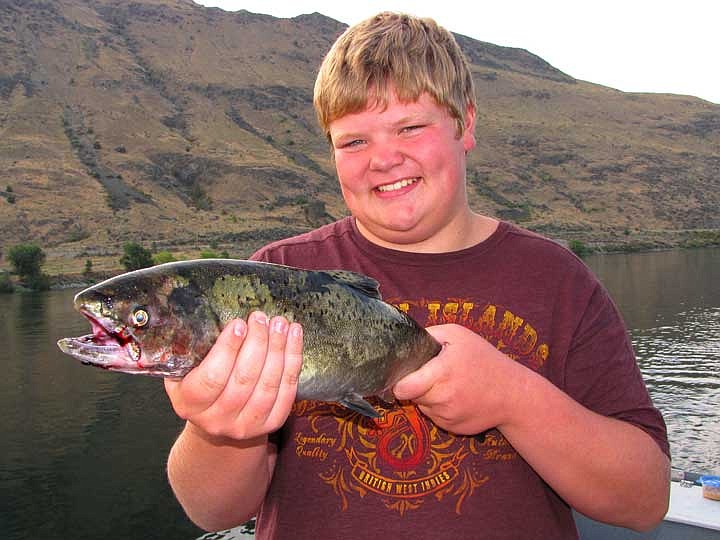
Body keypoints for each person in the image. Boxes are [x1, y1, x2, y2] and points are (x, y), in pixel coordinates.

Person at [164, 12, 670, 539]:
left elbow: (643, 501)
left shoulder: (558, 282)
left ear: (466, 124)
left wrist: (514, 398)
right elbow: (213, 512)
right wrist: (214, 428)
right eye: (353, 141)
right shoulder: (274, 277)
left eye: (410, 127)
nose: (384, 158)